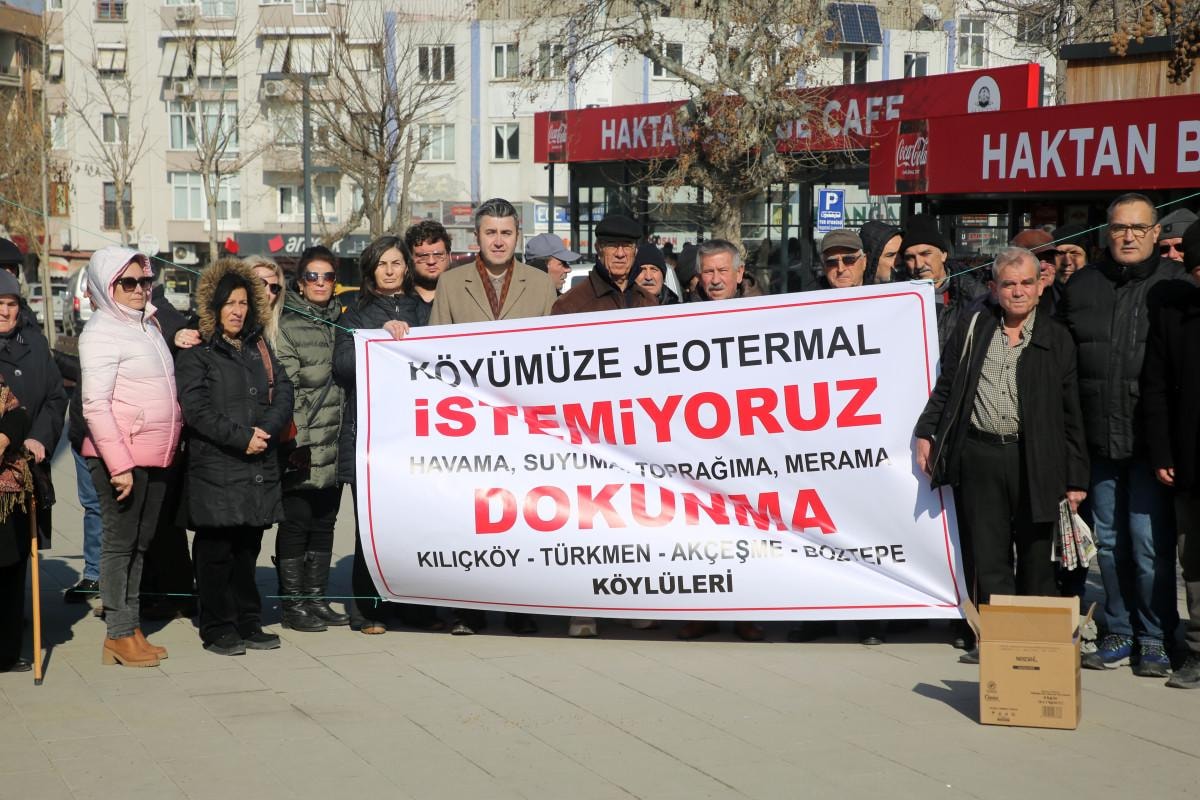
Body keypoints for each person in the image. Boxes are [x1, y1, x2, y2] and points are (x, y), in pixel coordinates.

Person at [914, 247, 1089, 663]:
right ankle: (995, 641)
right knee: (987, 554)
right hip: (980, 454)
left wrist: (1076, 478)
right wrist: (926, 431)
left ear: (1041, 286)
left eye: (1027, 283)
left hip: (1036, 458)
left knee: (1035, 555)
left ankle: (1035, 643)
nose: (1018, 291)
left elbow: (1071, 413)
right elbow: (948, 384)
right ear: (993, 288)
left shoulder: (1056, 337)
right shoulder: (975, 325)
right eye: (1009, 284)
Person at [1060, 192, 1184, 676]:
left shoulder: (1174, 285)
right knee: (1108, 544)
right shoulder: (1084, 285)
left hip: (1153, 444)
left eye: (1137, 228)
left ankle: (1155, 635)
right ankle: (1120, 630)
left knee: (1149, 546)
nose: (1127, 236)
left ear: (1155, 233)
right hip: (1097, 439)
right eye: (1118, 228)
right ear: (1105, 233)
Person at [176, 258, 294, 656]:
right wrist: (242, 438)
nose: (237, 311)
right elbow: (196, 409)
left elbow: (284, 390)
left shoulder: (258, 345)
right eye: (229, 303)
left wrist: (267, 431)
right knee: (216, 551)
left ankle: (248, 620)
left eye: (243, 303)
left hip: (256, 465)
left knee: (248, 549)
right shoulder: (198, 351)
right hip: (217, 467)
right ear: (214, 306)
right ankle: (217, 626)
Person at [80, 247, 181, 667]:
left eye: (144, 281)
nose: (139, 289)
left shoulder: (147, 324)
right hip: (121, 457)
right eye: (128, 282)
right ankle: (118, 634)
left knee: (140, 545)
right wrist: (118, 465)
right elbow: (94, 405)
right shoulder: (101, 332)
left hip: (153, 454)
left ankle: (130, 626)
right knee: (120, 546)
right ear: (108, 286)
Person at [333, 236, 429, 635]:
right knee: (371, 529)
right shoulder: (355, 313)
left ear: (407, 267)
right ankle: (366, 608)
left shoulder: (426, 311)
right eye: (381, 264)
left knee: (414, 527)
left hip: (417, 439)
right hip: (371, 440)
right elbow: (342, 365)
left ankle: (413, 606)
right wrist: (377, 336)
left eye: (396, 263)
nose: (390, 271)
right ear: (370, 270)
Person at [678, 240, 764, 643]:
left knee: (747, 530)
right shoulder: (679, 318)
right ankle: (703, 611)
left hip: (747, 443)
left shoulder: (765, 315)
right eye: (708, 272)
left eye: (722, 271)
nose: (715, 280)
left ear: (739, 273)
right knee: (699, 529)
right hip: (698, 444)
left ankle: (747, 612)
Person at [274, 246, 351, 633]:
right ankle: (293, 604)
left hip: (336, 437)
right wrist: (300, 442)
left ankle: (316, 599)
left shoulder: (344, 322)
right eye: (312, 276)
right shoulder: (287, 325)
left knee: (325, 521)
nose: (320, 283)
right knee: (296, 523)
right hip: (303, 442)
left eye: (327, 276)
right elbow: (287, 389)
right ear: (300, 283)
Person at [1142, 219, 1200, 688]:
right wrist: (1163, 451)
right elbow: (1156, 387)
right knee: (1194, 559)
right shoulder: (1175, 315)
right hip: (1190, 459)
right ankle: (1197, 650)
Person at [0, 270, 66, 672]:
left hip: (25, 470)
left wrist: (41, 437)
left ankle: (8, 647)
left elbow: (56, 398)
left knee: (15, 557)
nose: (4, 312)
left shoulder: (36, 344)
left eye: (11, 304)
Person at [429, 197, 557, 327]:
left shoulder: (543, 285)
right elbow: (437, 338)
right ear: (477, 237)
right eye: (490, 233)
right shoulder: (449, 284)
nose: (498, 242)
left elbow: (554, 336)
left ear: (517, 237)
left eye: (506, 233)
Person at [900, 214, 988, 348]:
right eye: (910, 257)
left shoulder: (973, 293)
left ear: (943, 255)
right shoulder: (896, 295)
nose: (918, 264)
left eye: (925, 254)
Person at [553, 215, 657, 314]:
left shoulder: (649, 302)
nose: (620, 254)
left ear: (636, 250)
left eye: (627, 246)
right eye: (612, 245)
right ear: (598, 248)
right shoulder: (570, 305)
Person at [404, 220, 452, 320]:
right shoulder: (396, 300)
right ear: (409, 259)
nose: (431, 261)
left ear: (449, 256)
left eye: (438, 255)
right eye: (423, 256)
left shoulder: (464, 297)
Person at [1010, 229, 1060, 314]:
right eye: (1035, 259)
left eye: (1049, 258)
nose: (1043, 266)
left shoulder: (1068, 296)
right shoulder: (997, 301)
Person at [244, 255, 286, 348]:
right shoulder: (221, 327)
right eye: (260, 283)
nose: (267, 293)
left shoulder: (281, 332)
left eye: (274, 288)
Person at [860, 220, 902, 285]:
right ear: (870, 260)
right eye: (890, 255)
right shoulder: (851, 289)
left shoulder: (916, 286)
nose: (900, 261)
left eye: (902, 253)